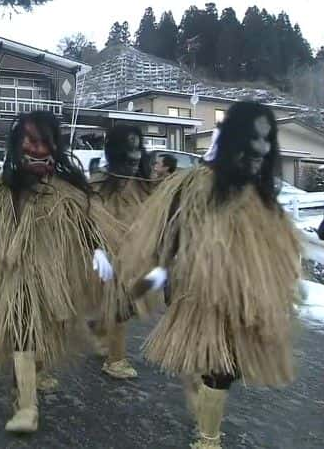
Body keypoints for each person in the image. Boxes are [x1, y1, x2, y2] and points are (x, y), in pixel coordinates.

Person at [121, 102, 301, 449]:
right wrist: (157, 277)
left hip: (242, 299)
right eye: (252, 137)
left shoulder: (260, 194)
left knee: (222, 368)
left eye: (266, 139)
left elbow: (273, 245)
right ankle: (209, 440)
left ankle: (203, 408)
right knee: (216, 368)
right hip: (197, 295)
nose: (260, 147)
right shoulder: (192, 185)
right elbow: (167, 239)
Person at [0, 111, 119, 433]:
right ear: (17, 144)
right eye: (30, 141)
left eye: (44, 142)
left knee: (41, 339)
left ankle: (26, 386)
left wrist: (98, 249)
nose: (36, 149)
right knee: (21, 331)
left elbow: (85, 225)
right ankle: (28, 408)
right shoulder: (0, 192)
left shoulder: (66, 193)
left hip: (53, 280)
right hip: (14, 279)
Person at [88, 125, 157, 380]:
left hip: (135, 257)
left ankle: (97, 326)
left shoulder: (144, 185)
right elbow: (87, 220)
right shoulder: (96, 185)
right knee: (121, 305)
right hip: (105, 257)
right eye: (128, 152)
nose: (135, 156)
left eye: (138, 148)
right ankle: (115, 359)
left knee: (131, 302)